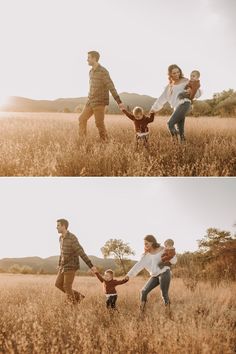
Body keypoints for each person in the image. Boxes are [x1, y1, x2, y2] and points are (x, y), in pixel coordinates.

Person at [78, 51, 125, 141]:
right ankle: (82, 141)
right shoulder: (90, 72)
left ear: (94, 58)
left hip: (100, 102)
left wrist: (119, 101)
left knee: (99, 124)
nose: (87, 60)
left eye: (89, 58)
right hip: (90, 101)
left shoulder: (103, 71)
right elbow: (91, 87)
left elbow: (111, 86)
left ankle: (105, 142)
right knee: (81, 119)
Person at [125, 235, 177, 313]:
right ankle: (142, 311)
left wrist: (171, 253)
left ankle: (168, 312)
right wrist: (128, 275)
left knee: (164, 294)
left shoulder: (163, 249)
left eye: (146, 243)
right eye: (144, 244)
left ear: (152, 242)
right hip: (154, 275)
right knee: (143, 291)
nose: (145, 245)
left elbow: (174, 260)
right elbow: (138, 265)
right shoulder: (146, 255)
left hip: (164, 272)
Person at [150, 64, 201, 142]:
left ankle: (174, 141)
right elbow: (161, 99)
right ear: (170, 74)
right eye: (174, 73)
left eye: (178, 72)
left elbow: (197, 91)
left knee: (170, 123)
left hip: (185, 104)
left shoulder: (186, 81)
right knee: (180, 129)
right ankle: (182, 144)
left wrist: (191, 92)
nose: (177, 74)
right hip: (177, 107)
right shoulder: (169, 87)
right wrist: (153, 109)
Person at [55, 218, 97, 304]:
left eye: (58, 225)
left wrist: (91, 266)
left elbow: (81, 252)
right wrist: (59, 264)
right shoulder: (60, 238)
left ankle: (73, 305)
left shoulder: (72, 238)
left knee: (67, 286)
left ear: (63, 226)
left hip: (71, 265)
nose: (56, 227)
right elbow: (61, 253)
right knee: (58, 284)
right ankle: (78, 297)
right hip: (63, 266)